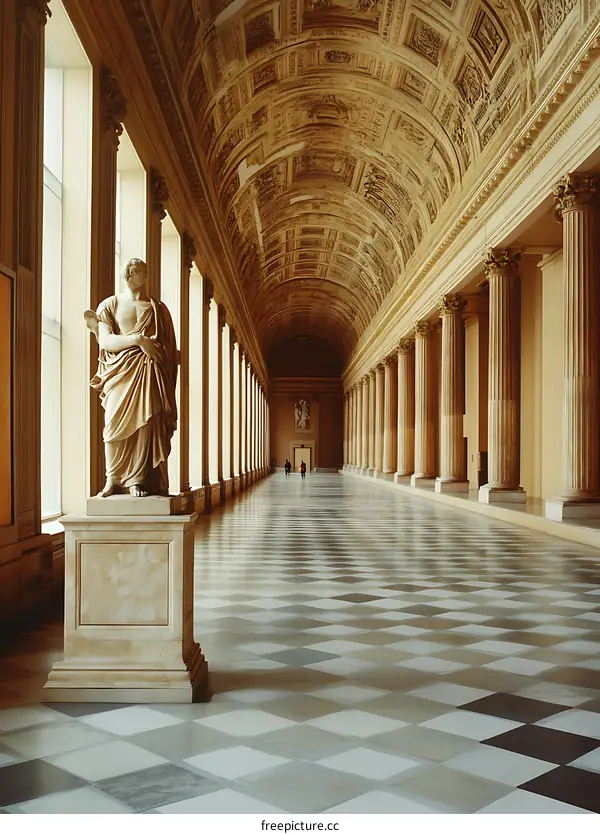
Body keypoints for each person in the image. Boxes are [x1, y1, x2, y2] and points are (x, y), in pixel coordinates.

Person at [85, 257, 179, 498]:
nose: (129, 275)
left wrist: (157, 351)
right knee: (112, 426)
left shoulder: (158, 309)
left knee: (145, 424)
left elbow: (170, 349)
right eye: (127, 271)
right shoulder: (110, 305)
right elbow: (106, 341)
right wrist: (139, 340)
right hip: (119, 372)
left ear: (145, 276)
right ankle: (112, 478)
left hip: (149, 374)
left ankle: (136, 479)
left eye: (135, 271)